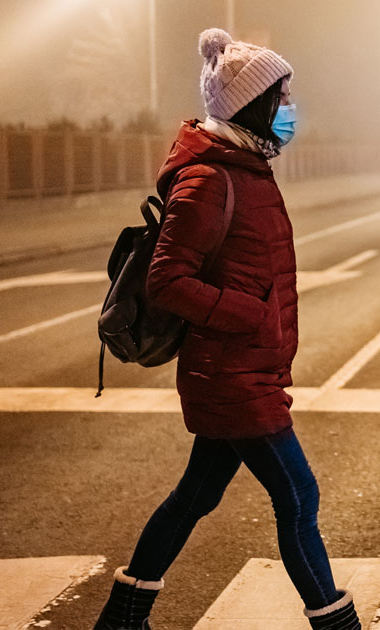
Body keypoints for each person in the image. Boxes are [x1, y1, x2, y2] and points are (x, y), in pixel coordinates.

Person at [93, 28, 362, 630]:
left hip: (243, 369)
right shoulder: (209, 179)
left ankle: (123, 617)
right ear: (252, 104)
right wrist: (249, 313)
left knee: (198, 494)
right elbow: (166, 281)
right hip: (231, 374)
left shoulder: (244, 167)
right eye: (282, 96)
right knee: (298, 497)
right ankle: (336, 624)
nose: (290, 108)